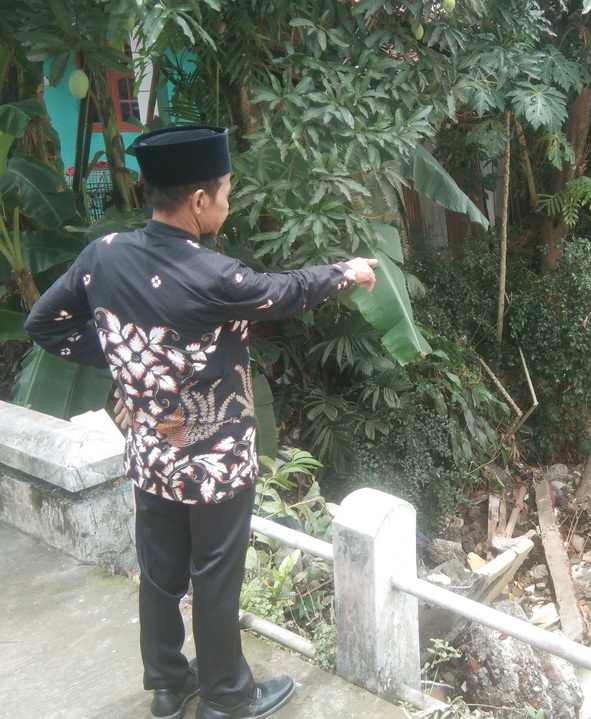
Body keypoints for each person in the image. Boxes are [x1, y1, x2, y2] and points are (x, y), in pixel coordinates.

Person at [24, 125, 377, 719]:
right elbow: (282, 292)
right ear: (198, 200)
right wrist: (348, 271)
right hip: (214, 458)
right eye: (227, 191)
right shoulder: (212, 276)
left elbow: (44, 323)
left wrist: (124, 357)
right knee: (215, 574)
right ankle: (226, 697)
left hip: (149, 451)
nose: (229, 202)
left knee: (160, 570)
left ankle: (166, 683)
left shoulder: (103, 255)